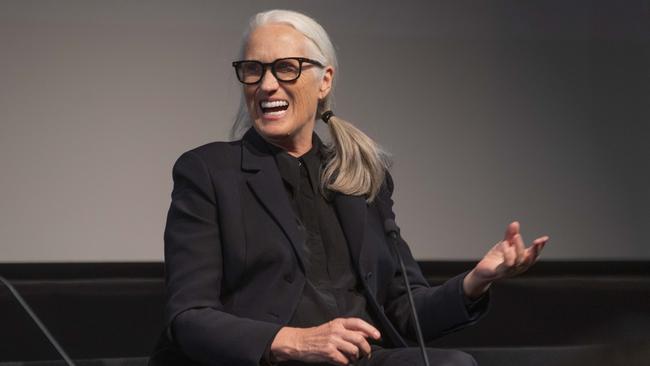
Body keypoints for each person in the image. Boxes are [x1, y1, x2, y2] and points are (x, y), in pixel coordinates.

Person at [149, 9, 549, 366]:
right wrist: (292, 341)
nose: (266, 85)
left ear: (324, 80)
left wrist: (475, 281)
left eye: (285, 67)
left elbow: (403, 310)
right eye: (254, 70)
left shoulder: (359, 177)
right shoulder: (209, 171)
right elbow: (189, 317)